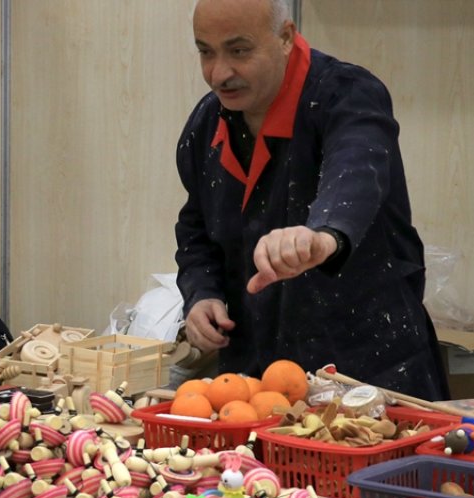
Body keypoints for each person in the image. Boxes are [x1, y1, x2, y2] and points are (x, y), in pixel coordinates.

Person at [174, 0, 449, 400]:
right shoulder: (206, 124)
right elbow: (197, 228)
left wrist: (322, 235)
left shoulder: (348, 96)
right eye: (206, 52)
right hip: (259, 377)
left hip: (367, 371)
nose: (219, 73)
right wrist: (202, 294)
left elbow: (357, 172)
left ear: (285, 37)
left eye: (239, 50)